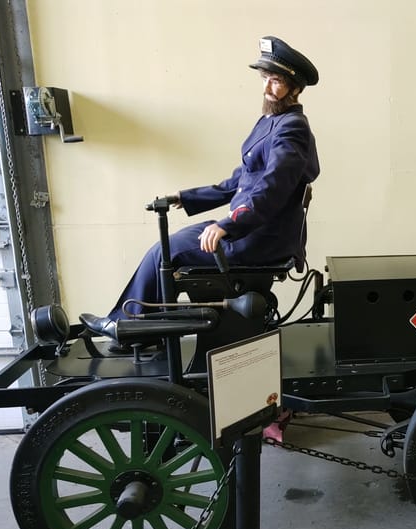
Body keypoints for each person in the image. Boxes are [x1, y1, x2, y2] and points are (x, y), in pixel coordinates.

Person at [81, 35, 319, 342]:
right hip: (249, 229)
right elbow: (240, 180)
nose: (266, 88)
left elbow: (272, 188)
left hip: (259, 237)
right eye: (264, 79)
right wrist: (188, 197)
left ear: (295, 88)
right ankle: (140, 328)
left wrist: (228, 225)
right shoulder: (271, 121)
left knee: (167, 252)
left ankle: (128, 327)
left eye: (276, 82)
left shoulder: (292, 128)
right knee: (169, 247)